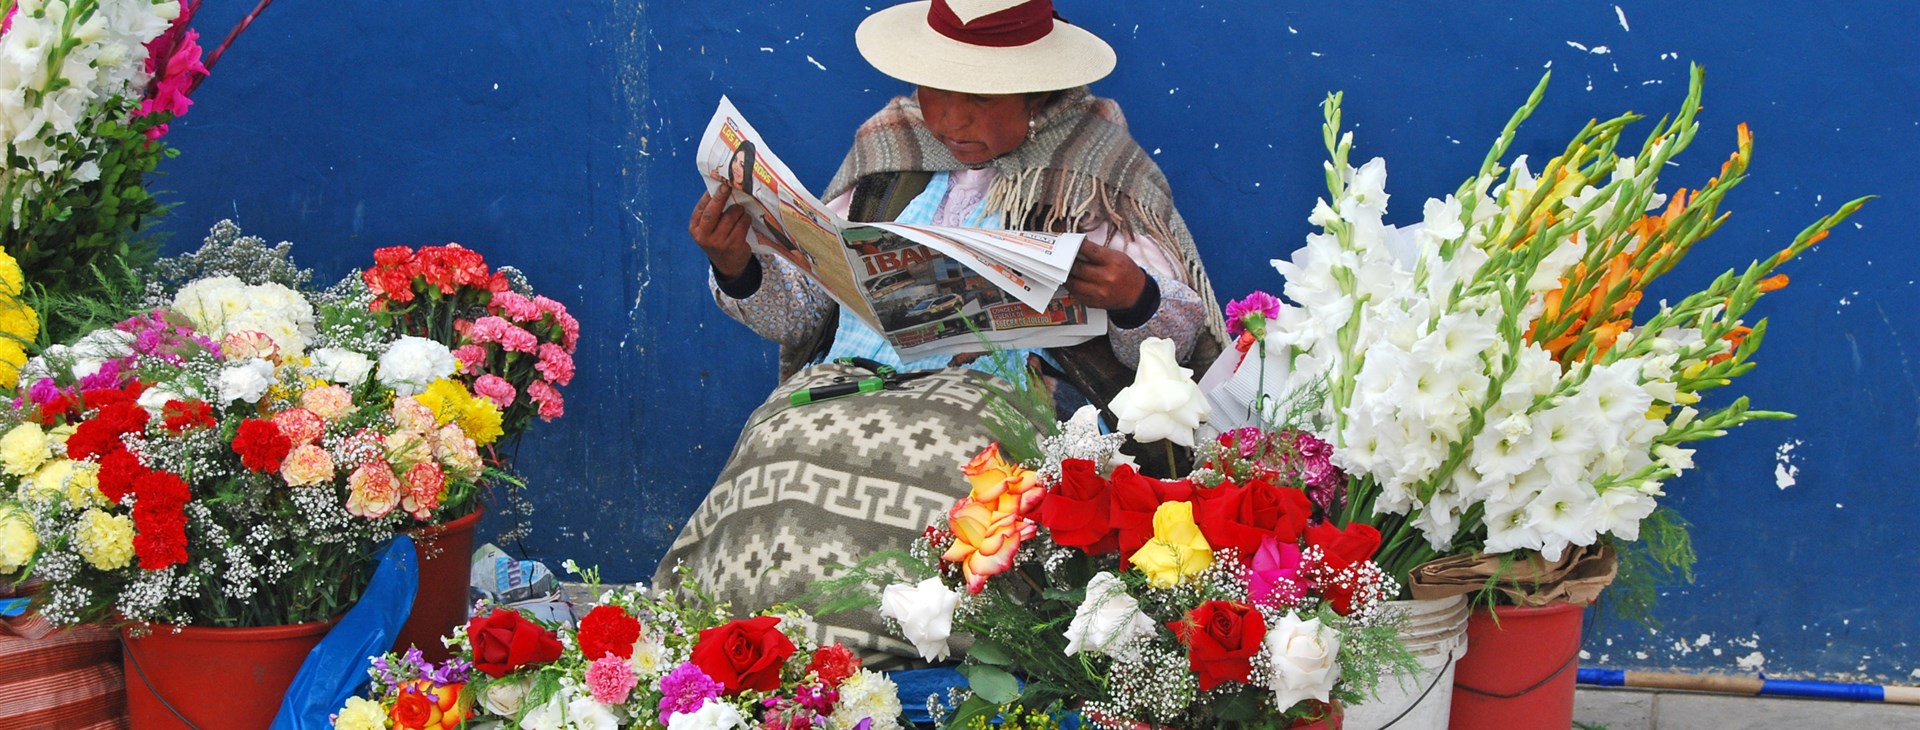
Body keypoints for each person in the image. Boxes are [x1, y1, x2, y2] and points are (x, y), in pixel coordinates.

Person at [660, 0, 1227, 663]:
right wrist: (738, 267)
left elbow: (1178, 341)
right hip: (848, 386)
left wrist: (1136, 297)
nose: (951, 118)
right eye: (936, 91)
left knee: (946, 468)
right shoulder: (887, 148)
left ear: (1033, 90)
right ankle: (748, 651)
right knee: (778, 440)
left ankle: (899, 651)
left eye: (979, 98)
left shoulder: (1099, 172)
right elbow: (805, 316)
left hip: (998, 399)